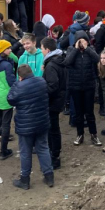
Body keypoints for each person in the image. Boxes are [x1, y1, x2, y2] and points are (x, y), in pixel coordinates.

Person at [9, 65, 54, 190]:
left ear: (20, 76)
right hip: (42, 122)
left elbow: (10, 99)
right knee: (43, 148)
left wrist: (16, 83)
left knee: (25, 152)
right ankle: (49, 176)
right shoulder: (41, 81)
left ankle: (25, 180)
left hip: (26, 125)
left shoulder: (19, 86)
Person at [64, 32, 102, 146]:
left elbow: (97, 60)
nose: (81, 43)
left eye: (83, 40)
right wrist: (76, 50)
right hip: (75, 86)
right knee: (78, 112)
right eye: (79, 40)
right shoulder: (71, 50)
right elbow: (67, 63)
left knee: (89, 112)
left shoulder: (90, 50)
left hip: (88, 86)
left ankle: (94, 134)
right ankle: (80, 134)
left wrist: (88, 49)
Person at [40, 38, 66, 170]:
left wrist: (42, 94)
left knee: (52, 130)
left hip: (52, 102)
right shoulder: (59, 59)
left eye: (42, 48)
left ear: (47, 50)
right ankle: (55, 154)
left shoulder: (51, 66)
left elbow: (52, 85)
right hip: (59, 99)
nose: (41, 50)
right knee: (54, 129)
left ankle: (54, 156)